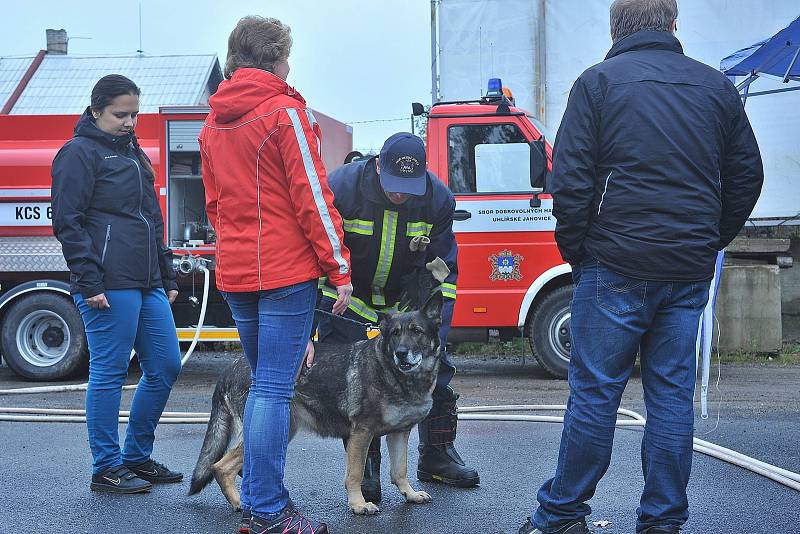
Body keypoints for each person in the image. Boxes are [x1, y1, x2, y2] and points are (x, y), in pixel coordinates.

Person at [518, 1, 763, 533]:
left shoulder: (597, 84)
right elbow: (747, 176)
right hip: (685, 268)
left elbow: (571, 180)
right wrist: (708, 238)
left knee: (595, 393)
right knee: (670, 396)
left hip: (614, 263)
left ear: (615, 27)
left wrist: (579, 251)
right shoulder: (715, 88)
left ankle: (561, 515)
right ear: (673, 25)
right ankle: (662, 521)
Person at [199, 16, 352, 534]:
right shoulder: (284, 113)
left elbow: (215, 205)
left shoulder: (212, 123)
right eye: (287, 57)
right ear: (276, 60)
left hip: (239, 273)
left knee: (268, 384)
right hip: (285, 271)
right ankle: (268, 511)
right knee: (272, 391)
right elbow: (313, 196)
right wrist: (339, 268)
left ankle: (264, 504)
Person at [318, 132, 480, 505]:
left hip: (405, 306)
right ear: (377, 166)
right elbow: (320, 249)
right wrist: (323, 315)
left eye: (408, 188)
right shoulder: (343, 187)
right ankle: (368, 465)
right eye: (393, 186)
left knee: (436, 371)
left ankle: (437, 456)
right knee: (359, 383)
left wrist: (433, 332)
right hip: (350, 299)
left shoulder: (437, 199)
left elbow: (442, 271)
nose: (400, 195)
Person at [51, 74, 184, 494]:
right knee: (108, 373)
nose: (130, 122)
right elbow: (67, 224)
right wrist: (89, 282)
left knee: (165, 366)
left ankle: (136, 456)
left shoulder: (133, 153)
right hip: (107, 282)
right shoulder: (77, 154)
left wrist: (166, 274)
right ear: (96, 111)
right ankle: (105, 467)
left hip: (146, 281)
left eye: (135, 114)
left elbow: (152, 217)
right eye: (121, 114)